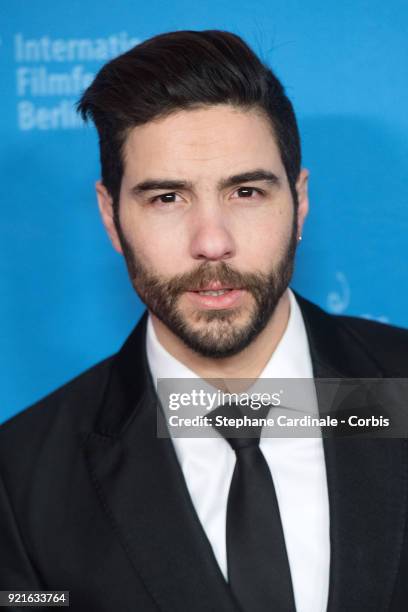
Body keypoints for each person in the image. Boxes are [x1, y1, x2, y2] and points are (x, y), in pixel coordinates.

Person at [1, 29, 408, 612]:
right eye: (167, 198)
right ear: (111, 218)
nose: (212, 243)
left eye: (245, 191)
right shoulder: (18, 484)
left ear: (299, 202)